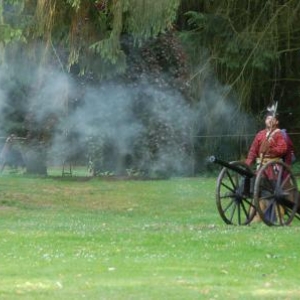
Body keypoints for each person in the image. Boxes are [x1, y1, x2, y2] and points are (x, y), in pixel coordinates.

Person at [245, 111, 288, 223]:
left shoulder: (278, 134)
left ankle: (280, 218)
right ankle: (255, 217)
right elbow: (253, 151)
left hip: (273, 169)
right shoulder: (260, 135)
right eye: (268, 118)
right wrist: (247, 164)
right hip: (261, 168)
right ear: (265, 121)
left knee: (273, 194)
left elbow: (283, 149)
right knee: (256, 192)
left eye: (272, 119)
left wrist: (271, 149)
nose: (270, 120)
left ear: (276, 122)